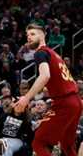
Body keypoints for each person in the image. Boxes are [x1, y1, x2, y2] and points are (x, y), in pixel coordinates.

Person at [14, 24, 82, 156]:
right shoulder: (54, 54)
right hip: (74, 102)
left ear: (43, 35)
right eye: (27, 35)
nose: (29, 37)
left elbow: (45, 75)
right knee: (67, 144)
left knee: (38, 143)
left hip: (65, 103)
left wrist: (26, 98)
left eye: (33, 34)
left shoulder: (41, 52)